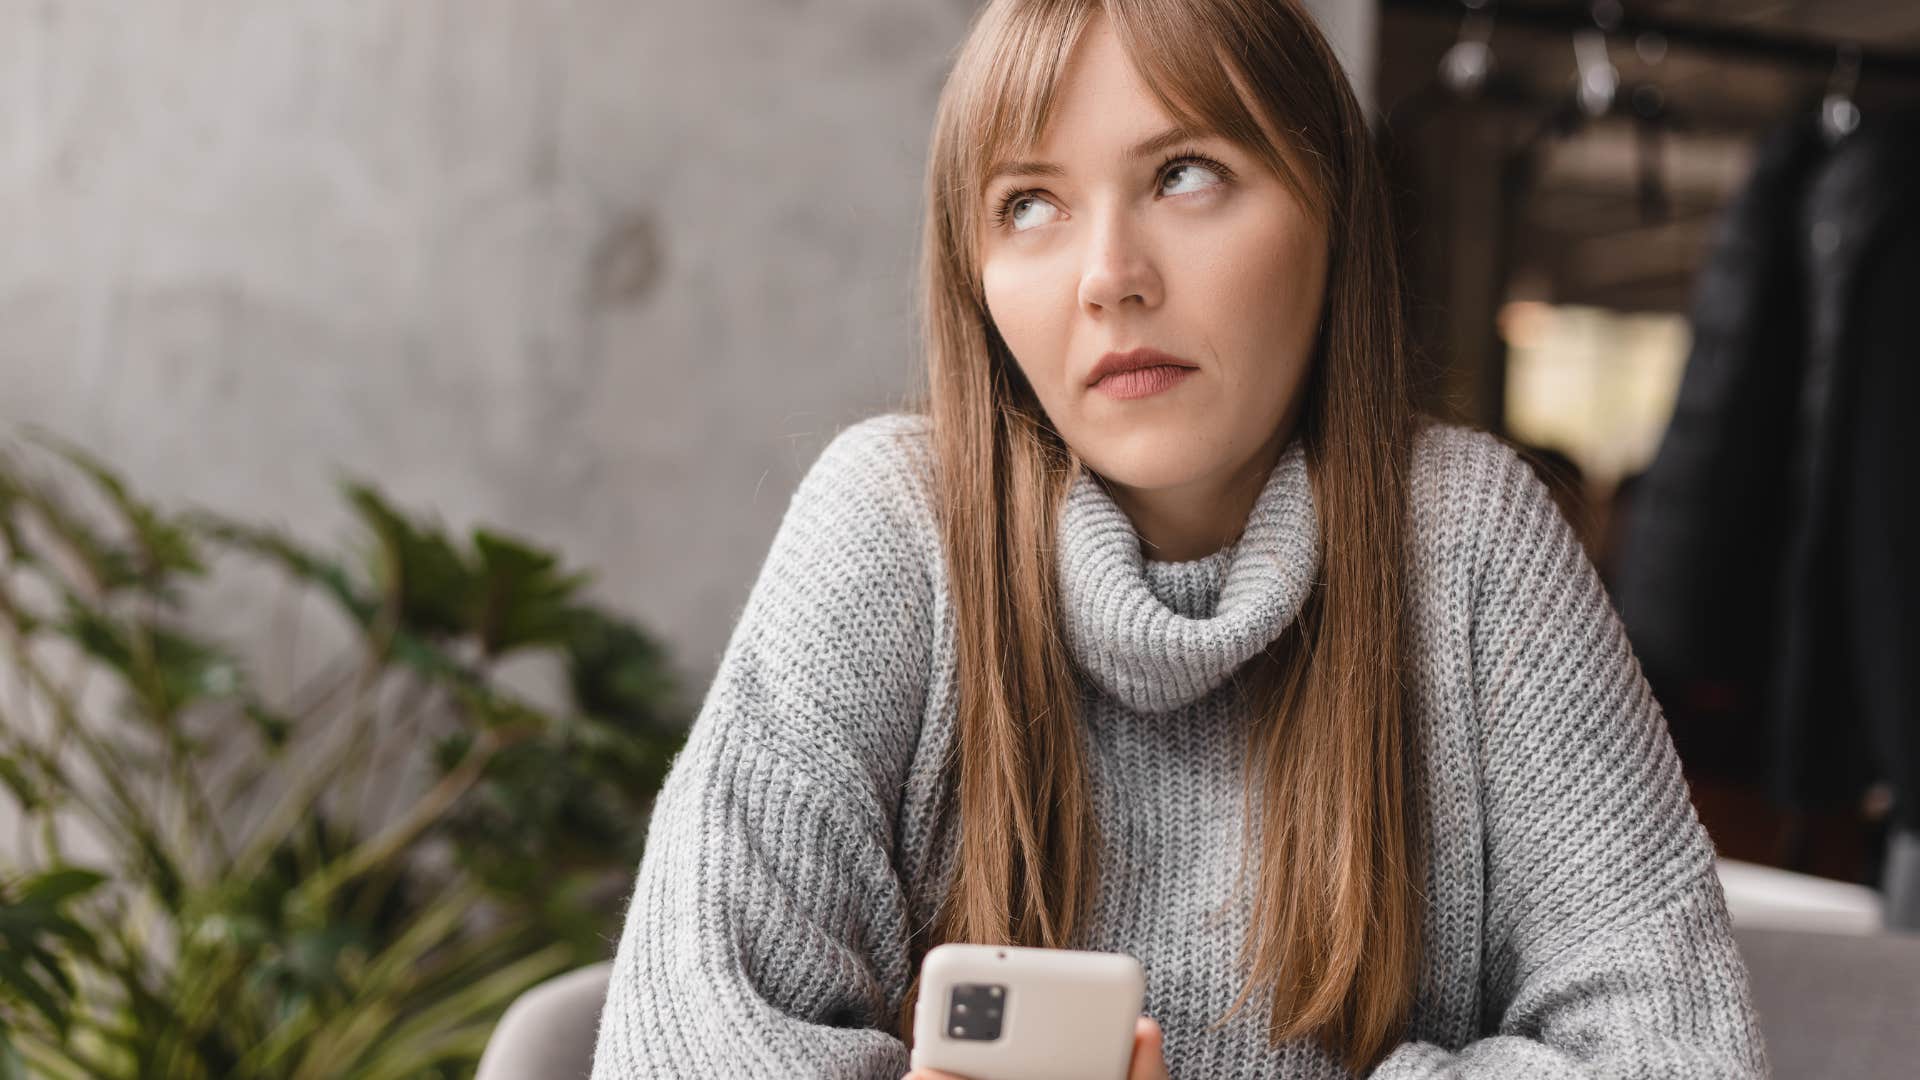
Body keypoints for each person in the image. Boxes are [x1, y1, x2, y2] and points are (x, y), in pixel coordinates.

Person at [589, 1, 1769, 1077]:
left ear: (1328, 208)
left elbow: (1682, 1060)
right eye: (1030, 204)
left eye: (1188, 173)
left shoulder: (1466, 543)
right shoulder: (894, 526)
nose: (1110, 278)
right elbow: (674, 1051)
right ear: (976, 270)